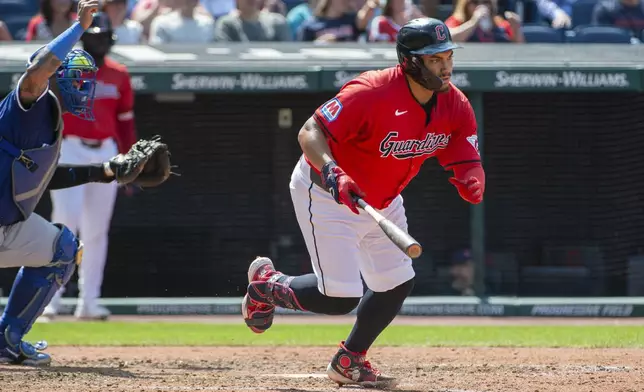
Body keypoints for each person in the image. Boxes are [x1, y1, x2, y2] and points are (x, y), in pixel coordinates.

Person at [242, 17, 485, 388]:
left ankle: (349, 359)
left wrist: (471, 175)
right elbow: (310, 132)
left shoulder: (455, 103)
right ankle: (266, 285)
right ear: (410, 61)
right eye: (434, 58)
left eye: (448, 55)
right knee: (339, 297)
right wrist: (333, 171)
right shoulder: (371, 91)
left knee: (397, 282)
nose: (445, 65)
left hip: (382, 201)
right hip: (325, 193)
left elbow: (462, 147)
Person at [0, 1, 171, 366]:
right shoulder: (25, 104)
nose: (78, 82)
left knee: (64, 247)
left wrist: (106, 170)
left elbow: (51, 177)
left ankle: (7, 339)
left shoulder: (53, 122)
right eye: (67, 74)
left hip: (7, 225)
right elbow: (36, 71)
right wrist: (78, 27)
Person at [42, 12, 138, 321]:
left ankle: (89, 301)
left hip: (106, 153)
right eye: (93, 35)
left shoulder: (119, 74)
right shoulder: (66, 68)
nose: (99, 41)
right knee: (64, 226)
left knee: (97, 231)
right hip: (69, 148)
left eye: (103, 36)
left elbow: (125, 123)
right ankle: (50, 301)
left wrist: (131, 161)